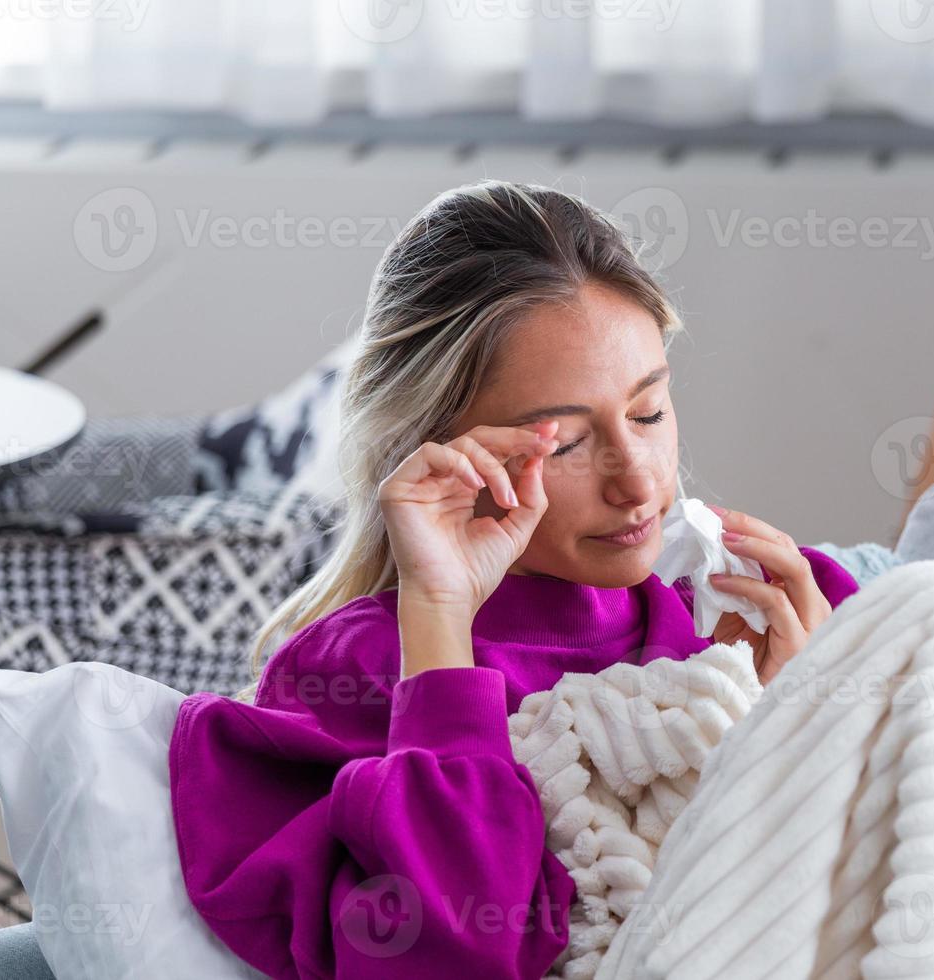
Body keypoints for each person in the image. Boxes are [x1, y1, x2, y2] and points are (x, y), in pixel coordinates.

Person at [167, 180, 861, 979]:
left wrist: (799, 719)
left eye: (648, 413)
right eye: (564, 444)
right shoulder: (354, 679)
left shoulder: (765, 608)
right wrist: (438, 618)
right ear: (442, 451)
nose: (637, 483)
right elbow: (453, 956)